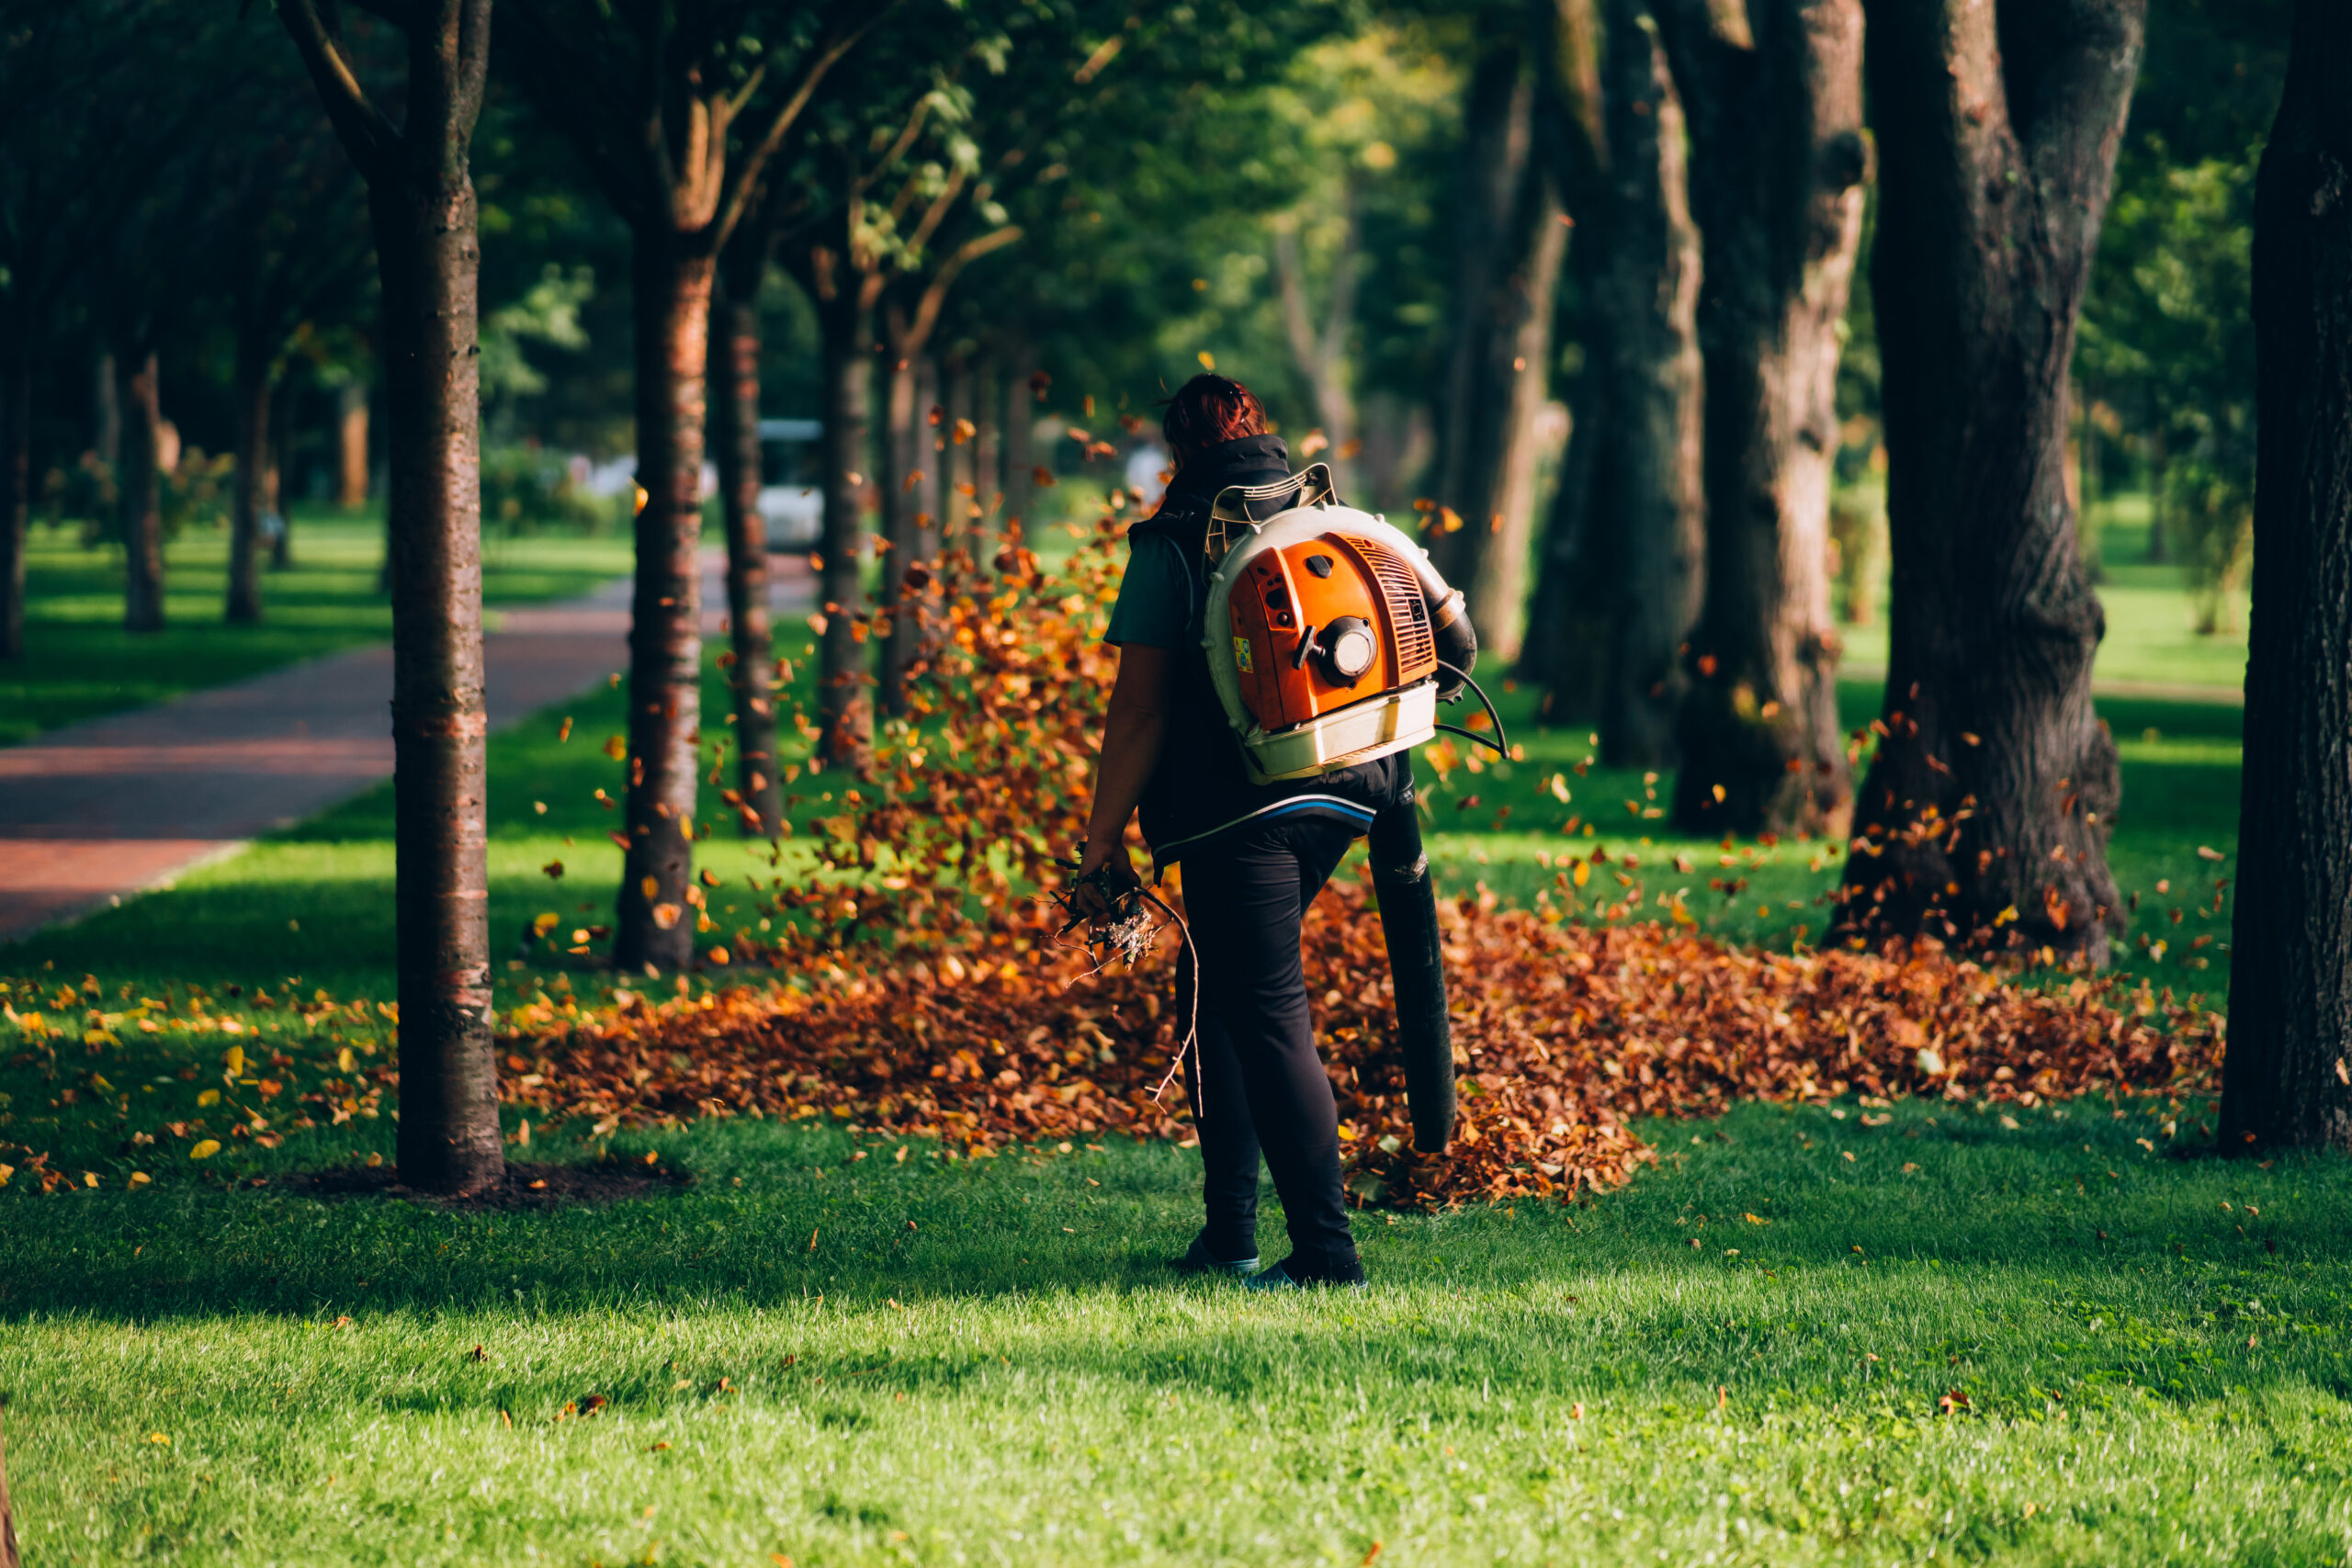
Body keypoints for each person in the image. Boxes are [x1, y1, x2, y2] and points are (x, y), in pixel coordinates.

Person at [1073, 374, 1409, 1290]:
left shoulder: (1174, 542)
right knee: (1214, 984)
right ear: (1259, 432)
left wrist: (1100, 841)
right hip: (1347, 791)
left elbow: (1136, 711)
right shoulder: (1330, 520)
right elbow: (1442, 642)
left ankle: (1327, 1256)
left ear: (1177, 451)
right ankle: (1228, 1237)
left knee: (1265, 1012)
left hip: (1242, 812)